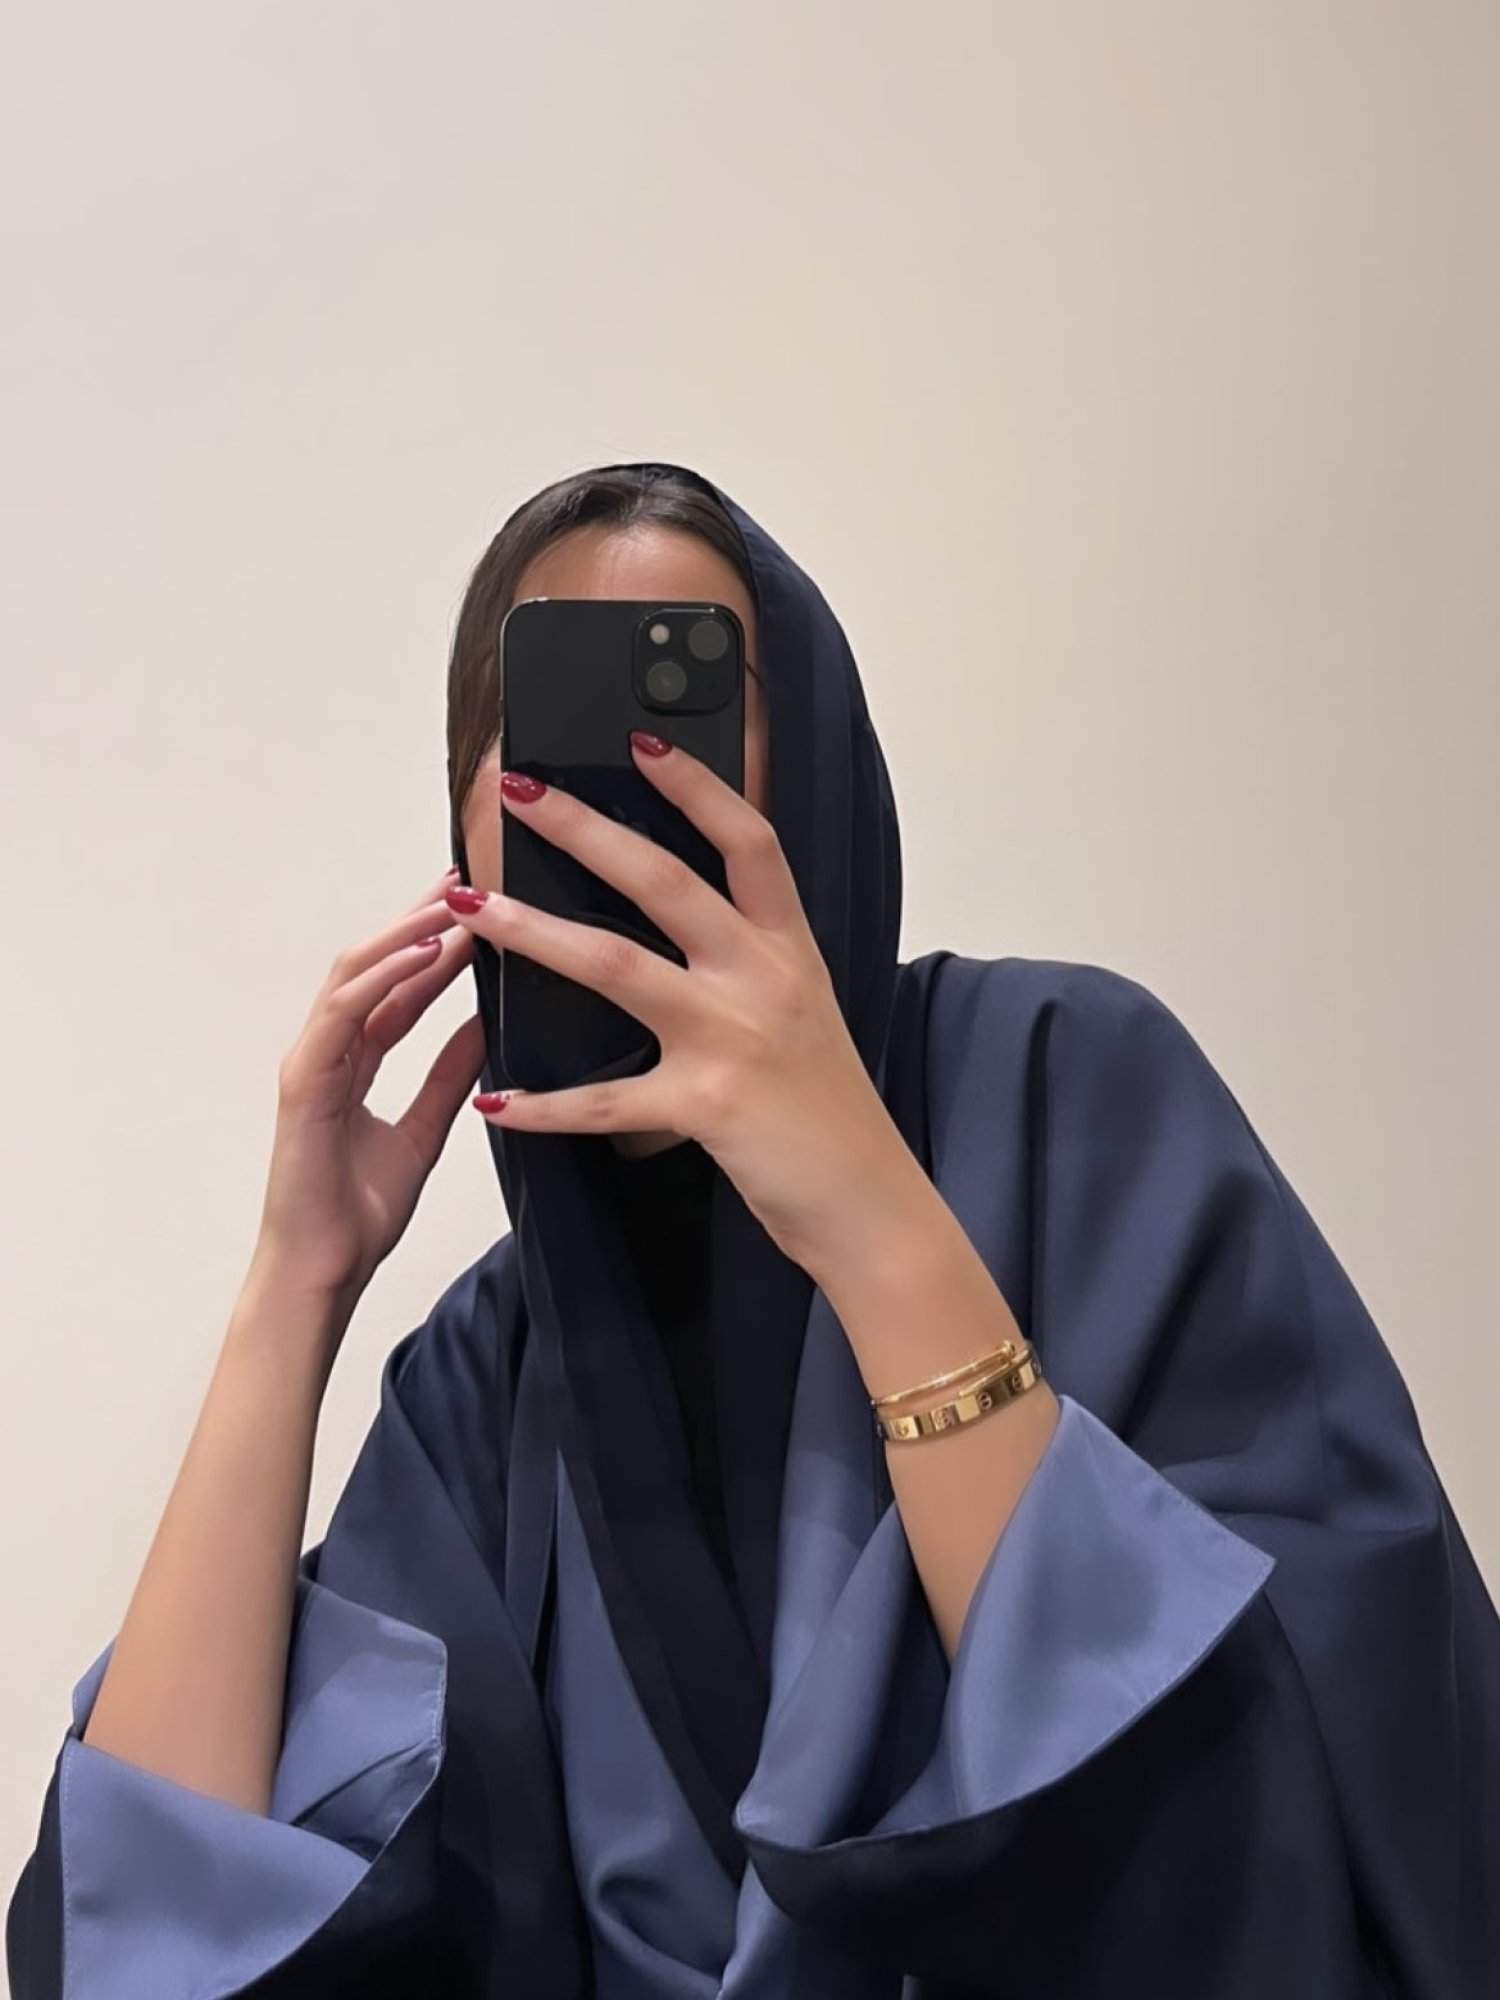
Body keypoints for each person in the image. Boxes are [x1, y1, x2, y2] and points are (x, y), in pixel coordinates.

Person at [7, 461, 1497, 1999]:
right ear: (468, 835)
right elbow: (150, 1943)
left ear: (819, 780)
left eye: (685, 705)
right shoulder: (489, 1383)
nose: (618, 786)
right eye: (546, 725)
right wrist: (294, 1283)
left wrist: (868, 1213)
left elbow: (1302, 1811)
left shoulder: (1065, 1098)